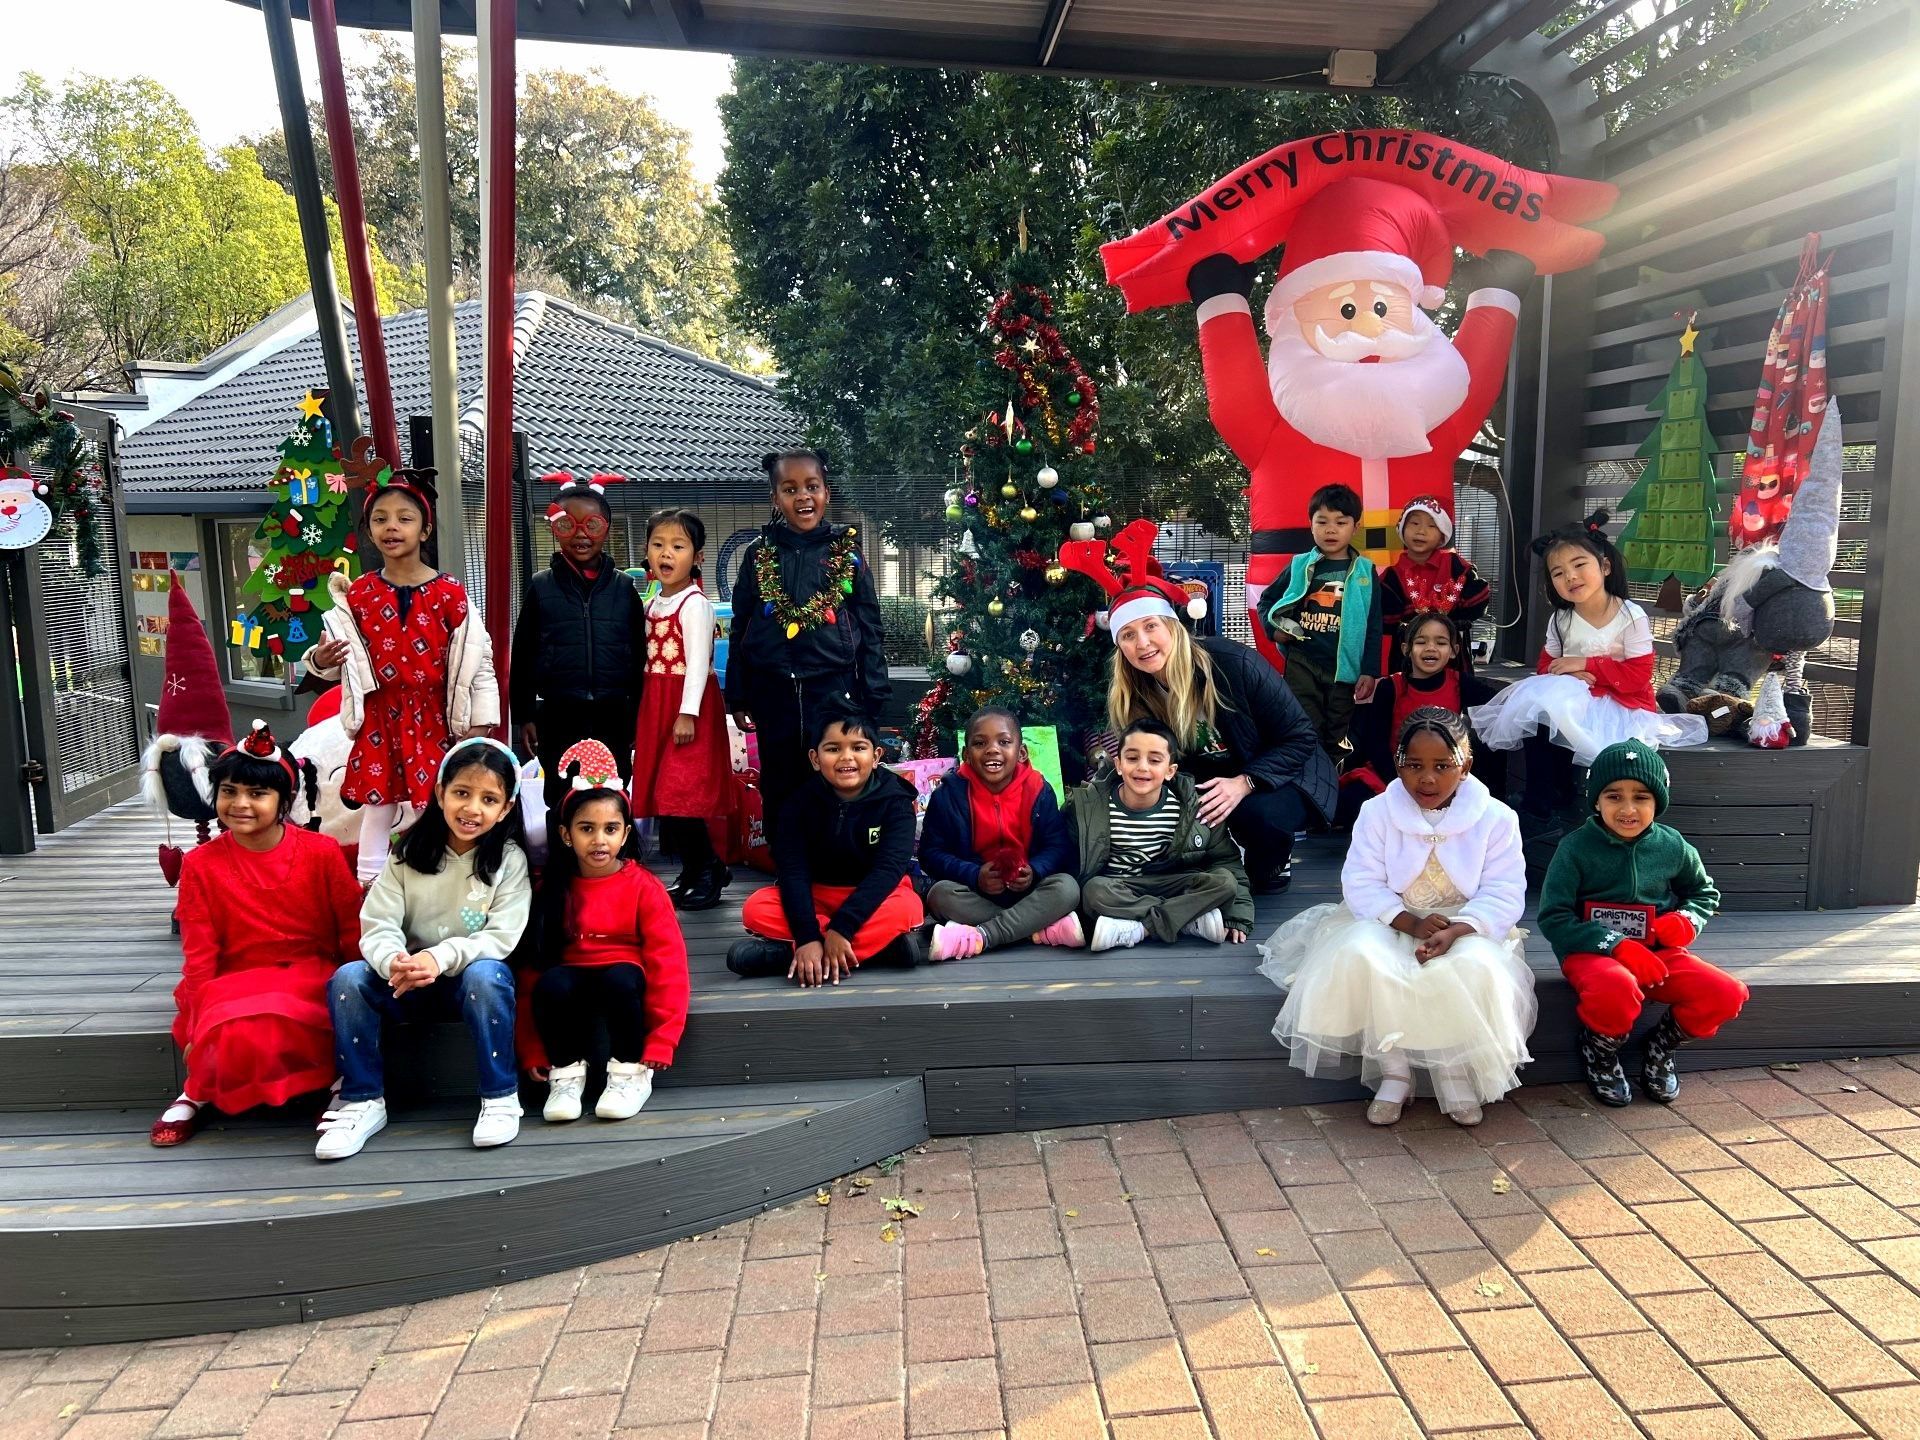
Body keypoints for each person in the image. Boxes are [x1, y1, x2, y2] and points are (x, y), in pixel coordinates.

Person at [1261, 709, 1534, 1127]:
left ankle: (1453, 1070)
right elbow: (1361, 881)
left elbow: (1505, 889)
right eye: (1414, 765)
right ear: (1398, 763)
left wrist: (1461, 929)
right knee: (1361, 955)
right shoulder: (1377, 812)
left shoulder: (1497, 818)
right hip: (1391, 920)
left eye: (1442, 766)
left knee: (1474, 967)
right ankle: (1395, 1072)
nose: (1427, 779)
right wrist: (1409, 923)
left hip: (1465, 926)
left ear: (1466, 766)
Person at [1062, 517, 1335, 893]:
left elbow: (1300, 737)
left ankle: (1274, 858)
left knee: (1257, 821)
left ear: (1172, 627)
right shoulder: (1134, 691)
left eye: (1151, 626)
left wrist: (1245, 782)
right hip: (1206, 776)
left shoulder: (1232, 662)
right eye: (1128, 634)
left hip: (1282, 772)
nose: (1142, 644)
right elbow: (1151, 761)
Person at [319, 738, 531, 1159]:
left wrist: (439, 956)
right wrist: (393, 961)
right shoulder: (406, 854)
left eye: (489, 799)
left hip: (467, 986)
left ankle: (500, 1095)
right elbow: (378, 923)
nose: (472, 808)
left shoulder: (508, 861)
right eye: (462, 793)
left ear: (506, 808)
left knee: (488, 974)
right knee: (349, 978)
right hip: (405, 983)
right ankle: (362, 1099)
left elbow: (501, 936)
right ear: (440, 792)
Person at [151, 722, 361, 1147]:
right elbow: (199, 951)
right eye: (228, 791)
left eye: (257, 793)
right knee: (228, 1023)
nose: (240, 804)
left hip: (308, 968)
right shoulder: (200, 865)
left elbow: (349, 927)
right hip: (235, 972)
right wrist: (194, 1023)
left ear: (284, 799)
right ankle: (197, 1090)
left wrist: (356, 986)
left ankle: (339, 1081)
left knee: (286, 1015)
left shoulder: (322, 852)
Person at [306, 470, 499, 883]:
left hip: (436, 716)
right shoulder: (358, 594)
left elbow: (479, 659)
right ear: (369, 531)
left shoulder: (451, 593)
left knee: (442, 803)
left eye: (404, 518)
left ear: (424, 529)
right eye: (380, 519)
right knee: (379, 806)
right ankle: (370, 891)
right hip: (381, 714)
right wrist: (320, 660)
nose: (391, 526)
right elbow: (340, 661)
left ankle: (446, 885)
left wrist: (481, 723)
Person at [1539, 741, 1746, 1107]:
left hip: (1659, 954)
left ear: (1658, 801)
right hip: (1592, 954)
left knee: (1725, 992)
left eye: (1642, 797)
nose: (1628, 809)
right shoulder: (1574, 848)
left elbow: (1704, 893)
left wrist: (1686, 920)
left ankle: (1661, 1046)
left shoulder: (1673, 845)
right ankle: (1599, 1050)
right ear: (1596, 801)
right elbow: (1554, 917)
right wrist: (1614, 944)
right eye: (1614, 796)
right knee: (1616, 987)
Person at [1470, 512, 1707, 815]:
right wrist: (1571, 675)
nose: (1570, 576)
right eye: (1558, 573)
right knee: (1539, 712)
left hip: (1621, 704)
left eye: (1579, 565)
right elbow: (1547, 666)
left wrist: (1587, 664)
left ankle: (1579, 801)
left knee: (1577, 726)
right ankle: (1541, 800)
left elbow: (1637, 675)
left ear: (1605, 567)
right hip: (1576, 696)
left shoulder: (1630, 615)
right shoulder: (1561, 618)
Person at [525, 740, 689, 1123]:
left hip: (623, 984)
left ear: (625, 834)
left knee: (621, 978)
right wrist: (532, 1047)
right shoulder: (552, 890)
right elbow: (531, 969)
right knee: (552, 983)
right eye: (587, 828)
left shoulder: (644, 888)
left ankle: (628, 1071)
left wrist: (662, 1039)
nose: (599, 840)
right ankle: (566, 1073)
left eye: (610, 829)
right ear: (566, 834)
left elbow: (669, 965)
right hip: (573, 981)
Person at [726, 450, 890, 830]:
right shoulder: (758, 555)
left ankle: (832, 853)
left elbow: (871, 626)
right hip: (772, 689)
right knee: (779, 778)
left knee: (833, 777)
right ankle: (784, 855)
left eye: (812, 487)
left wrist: (874, 693)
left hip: (832, 687)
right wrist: (738, 695)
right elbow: (740, 624)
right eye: (790, 489)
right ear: (775, 499)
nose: (803, 496)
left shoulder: (847, 554)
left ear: (826, 493)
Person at [726, 706, 926, 986]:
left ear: (876, 756)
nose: (846, 757)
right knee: (756, 907)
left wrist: (842, 928)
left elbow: (888, 870)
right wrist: (807, 935)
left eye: (858, 748)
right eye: (833, 749)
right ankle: (874, 951)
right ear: (815, 759)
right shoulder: (798, 804)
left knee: (907, 907)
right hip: (816, 896)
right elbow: (792, 872)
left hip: (874, 897)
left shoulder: (896, 803)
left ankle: (791, 957)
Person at [508, 472, 647, 829]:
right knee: (560, 793)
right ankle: (562, 859)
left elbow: (639, 655)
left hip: (614, 712)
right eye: (568, 524)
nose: (581, 535)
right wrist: (524, 714)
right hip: (558, 713)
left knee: (612, 789)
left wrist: (638, 713)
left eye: (592, 525)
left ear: (606, 529)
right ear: (556, 528)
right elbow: (523, 653)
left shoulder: (624, 588)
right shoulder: (541, 587)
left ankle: (613, 856)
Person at [1066, 718, 1253, 953]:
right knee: (1093, 890)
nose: (1142, 767)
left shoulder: (1194, 808)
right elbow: (1069, 861)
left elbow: (1226, 860)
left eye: (1154, 760)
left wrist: (1238, 915)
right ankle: (1186, 920)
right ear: (1119, 764)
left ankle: (1138, 929)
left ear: (1170, 771)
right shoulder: (1090, 806)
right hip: (1121, 887)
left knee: (1224, 881)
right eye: (1132, 758)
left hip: (1174, 883)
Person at [631, 508, 734, 910]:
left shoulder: (695, 604)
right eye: (658, 544)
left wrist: (688, 713)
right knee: (665, 795)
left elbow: (696, 664)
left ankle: (709, 869)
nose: (666, 553)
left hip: (686, 708)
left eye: (678, 546)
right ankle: (695, 870)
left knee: (681, 792)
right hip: (657, 703)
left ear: (698, 556)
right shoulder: (654, 602)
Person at [919, 707, 1082, 958]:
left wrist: (1034, 871)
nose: (992, 749)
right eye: (980, 743)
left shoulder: (1039, 790)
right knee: (940, 896)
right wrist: (975, 875)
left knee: (1067, 888)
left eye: (1004, 742)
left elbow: (1058, 846)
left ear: (1022, 752)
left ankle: (984, 935)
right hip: (978, 893)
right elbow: (930, 854)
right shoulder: (948, 795)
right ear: (966, 755)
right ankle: (1035, 929)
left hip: (1030, 891)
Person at [1343, 611, 1505, 821]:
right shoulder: (1390, 687)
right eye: (1421, 642)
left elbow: (1499, 703)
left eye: (1441, 642)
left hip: (1443, 774)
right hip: (1395, 772)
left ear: (1454, 651)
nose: (1431, 648)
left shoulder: (1460, 683)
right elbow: (1376, 744)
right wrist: (1400, 785)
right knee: (1354, 804)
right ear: (1406, 649)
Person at [1264, 482, 1382, 762]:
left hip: (1344, 671)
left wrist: (1369, 671)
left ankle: (1332, 779)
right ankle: (1306, 778)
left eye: (1340, 522)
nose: (1331, 529)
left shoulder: (1366, 571)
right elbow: (1266, 601)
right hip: (1302, 663)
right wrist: (1274, 630)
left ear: (1355, 527)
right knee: (1304, 727)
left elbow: (1374, 625)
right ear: (1311, 524)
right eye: (1322, 521)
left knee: (1337, 735)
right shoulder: (1299, 564)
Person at [1376, 495, 1491, 672]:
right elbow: (1387, 622)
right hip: (1408, 659)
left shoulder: (1455, 565)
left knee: (1456, 688)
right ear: (1402, 528)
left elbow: (1478, 601)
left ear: (1442, 536)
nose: (1421, 531)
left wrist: (1454, 619)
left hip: (1452, 657)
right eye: (1414, 523)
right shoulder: (1391, 576)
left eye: (1432, 525)